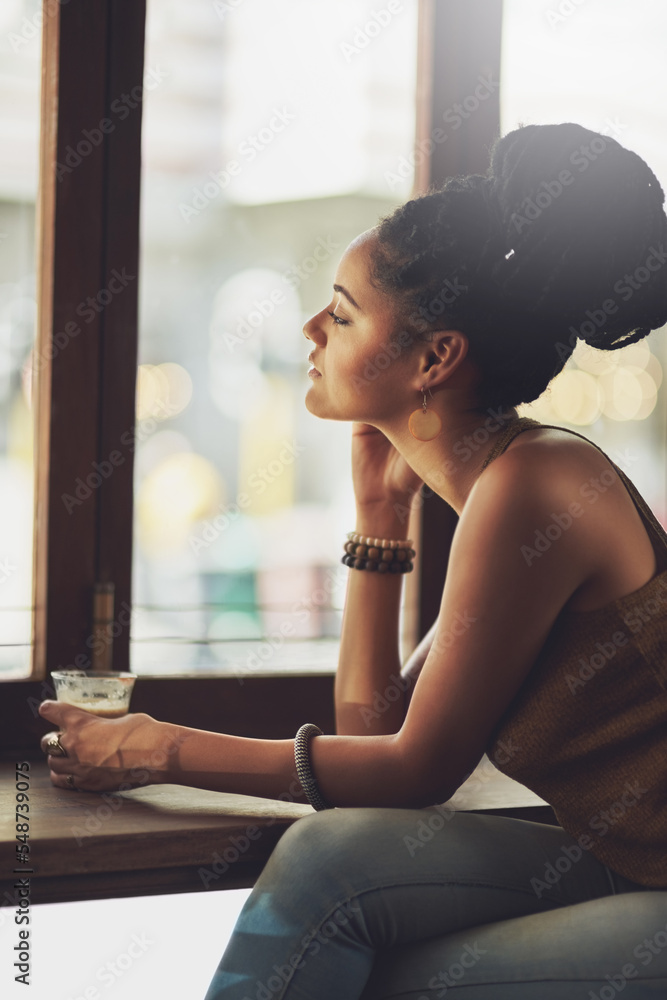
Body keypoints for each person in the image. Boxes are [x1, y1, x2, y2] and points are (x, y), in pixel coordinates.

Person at [40, 122, 667, 998]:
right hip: (621, 856)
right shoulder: (508, 480)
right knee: (328, 857)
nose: (309, 327)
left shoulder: (537, 485)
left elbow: (415, 770)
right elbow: (377, 736)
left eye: (340, 312)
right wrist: (378, 517)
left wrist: (160, 747)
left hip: (650, 883)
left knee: (389, 977)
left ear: (435, 357)